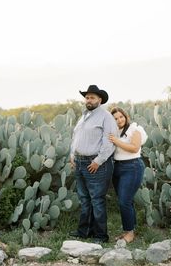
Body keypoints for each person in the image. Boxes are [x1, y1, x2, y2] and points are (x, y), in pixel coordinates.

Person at [69, 85, 118, 243]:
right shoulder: (83, 116)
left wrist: (98, 161)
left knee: (97, 199)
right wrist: (72, 155)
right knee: (84, 199)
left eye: (92, 97)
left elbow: (109, 141)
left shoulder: (105, 117)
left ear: (99, 100)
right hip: (80, 162)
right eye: (87, 97)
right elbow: (76, 137)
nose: (88, 100)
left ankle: (101, 236)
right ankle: (84, 231)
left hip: (96, 163)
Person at [109, 107, 148, 243]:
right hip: (117, 167)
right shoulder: (113, 132)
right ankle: (129, 229)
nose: (119, 120)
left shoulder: (134, 129)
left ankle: (129, 233)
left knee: (124, 201)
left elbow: (134, 148)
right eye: (115, 118)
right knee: (127, 200)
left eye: (121, 117)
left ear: (125, 116)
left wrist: (115, 141)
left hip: (133, 167)